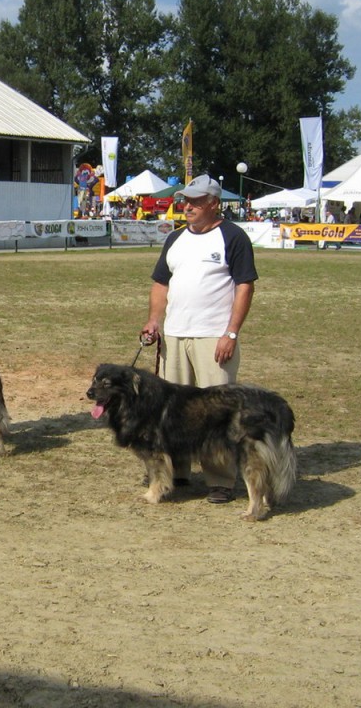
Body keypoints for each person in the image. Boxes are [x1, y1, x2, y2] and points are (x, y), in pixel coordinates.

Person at [140, 174, 258, 504]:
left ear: (213, 203)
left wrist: (230, 333)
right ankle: (176, 472)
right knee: (171, 411)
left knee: (216, 412)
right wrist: (154, 320)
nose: (187, 206)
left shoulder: (233, 237)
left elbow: (245, 286)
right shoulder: (176, 238)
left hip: (213, 338)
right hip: (175, 336)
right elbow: (161, 283)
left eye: (194, 201)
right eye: (185, 201)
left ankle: (220, 479)